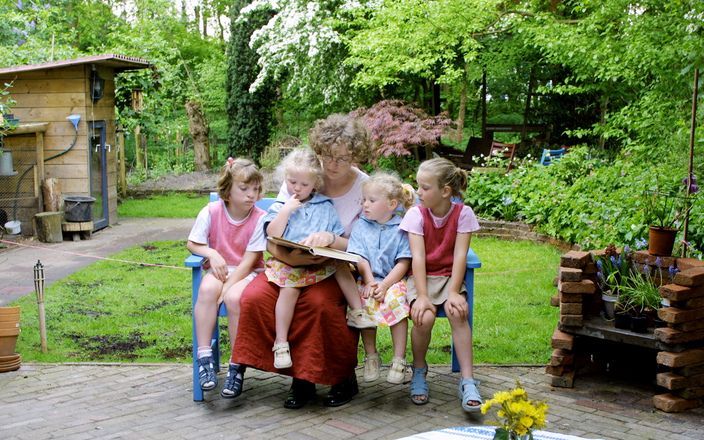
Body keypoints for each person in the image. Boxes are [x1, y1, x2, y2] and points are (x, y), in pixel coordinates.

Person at [233, 113, 371, 409]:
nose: (332, 165)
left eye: (343, 159)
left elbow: (366, 244)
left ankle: (341, 376)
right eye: (327, 157)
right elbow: (273, 237)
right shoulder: (303, 175)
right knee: (257, 297)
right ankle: (301, 376)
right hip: (291, 262)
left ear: (355, 157)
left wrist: (331, 240)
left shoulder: (364, 188)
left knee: (318, 304)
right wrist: (289, 257)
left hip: (337, 268)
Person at [264, 148, 375, 369]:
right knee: (289, 289)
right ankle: (281, 343)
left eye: (304, 185)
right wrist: (286, 211)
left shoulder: (325, 205)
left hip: (320, 262)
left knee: (341, 265)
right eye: (292, 182)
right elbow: (272, 235)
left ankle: (357, 312)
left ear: (315, 183)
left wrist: (327, 238)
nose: (297, 188)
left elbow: (342, 238)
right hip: (290, 261)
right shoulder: (282, 205)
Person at [399, 157, 482, 412]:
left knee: (458, 312)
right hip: (421, 277)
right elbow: (418, 257)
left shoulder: (463, 214)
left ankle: (467, 380)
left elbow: (460, 256)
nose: (418, 192)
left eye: (424, 188)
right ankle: (420, 371)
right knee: (423, 317)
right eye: (418, 186)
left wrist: (455, 292)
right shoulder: (416, 214)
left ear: (445, 191)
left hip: (449, 278)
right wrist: (422, 296)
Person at [187, 158, 267, 399]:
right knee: (208, 290)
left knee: (233, 298)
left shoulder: (259, 217)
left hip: (248, 272)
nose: (251, 195)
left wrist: (228, 287)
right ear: (227, 190)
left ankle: (236, 363)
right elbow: (193, 243)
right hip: (220, 268)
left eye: (255, 189)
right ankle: (204, 358)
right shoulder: (211, 211)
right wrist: (212, 253)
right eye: (244, 189)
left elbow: (250, 261)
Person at [346, 171, 415, 384]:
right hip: (367, 278)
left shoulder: (401, 228)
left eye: (371, 200)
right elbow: (360, 257)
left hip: (393, 280)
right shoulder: (360, 225)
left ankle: (398, 360)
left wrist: (385, 285)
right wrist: (368, 281)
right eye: (364, 200)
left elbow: (404, 262)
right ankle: (371, 356)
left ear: (392, 204)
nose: (365, 204)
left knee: (396, 302)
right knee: (364, 301)